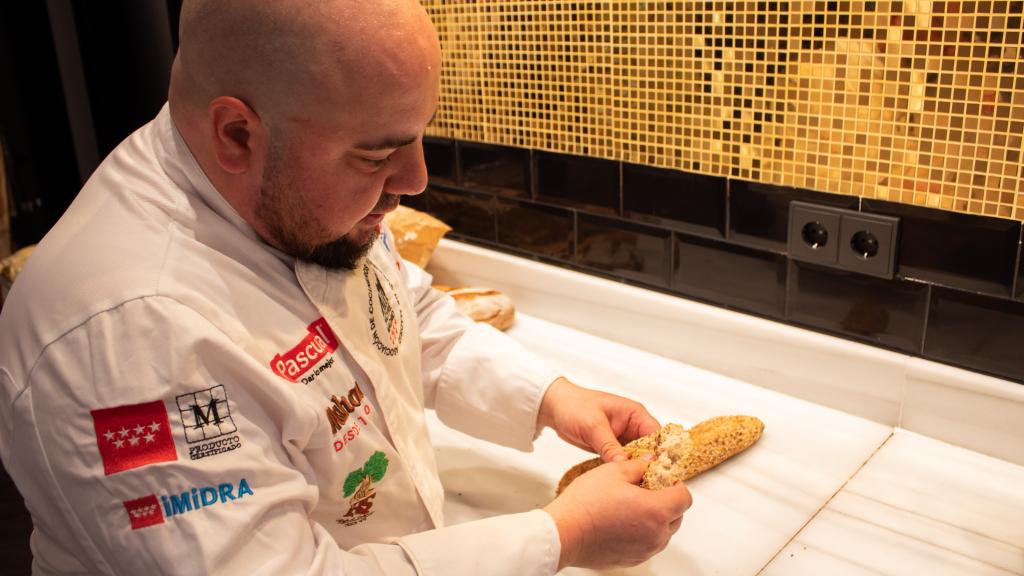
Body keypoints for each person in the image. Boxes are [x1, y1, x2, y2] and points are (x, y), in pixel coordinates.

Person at [0, 1, 692, 574]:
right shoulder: (128, 340)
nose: (416, 180)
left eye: (418, 137)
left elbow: (395, 310)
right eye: (378, 152)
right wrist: (560, 536)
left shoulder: (297, 196)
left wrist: (548, 398)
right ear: (237, 133)